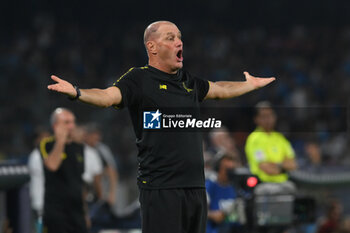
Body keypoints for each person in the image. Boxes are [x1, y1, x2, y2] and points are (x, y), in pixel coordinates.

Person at [47, 21, 275, 233]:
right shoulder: (139, 79)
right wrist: (77, 92)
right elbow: (107, 96)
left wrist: (248, 85)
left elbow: (220, 89)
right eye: (170, 37)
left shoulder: (187, 81)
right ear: (152, 47)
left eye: (179, 37)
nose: (179, 41)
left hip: (195, 188)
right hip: (161, 189)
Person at [39, 108, 88, 233]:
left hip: (77, 213)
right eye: (66, 122)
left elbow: (79, 182)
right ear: (55, 125)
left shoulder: (79, 147)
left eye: (73, 122)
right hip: (56, 213)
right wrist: (61, 141)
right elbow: (52, 165)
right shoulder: (47, 144)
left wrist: (85, 213)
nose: (72, 126)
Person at [245, 101, 297, 184]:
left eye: (270, 115)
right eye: (264, 116)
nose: (268, 119)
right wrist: (283, 167)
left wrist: (275, 165)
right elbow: (266, 168)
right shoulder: (254, 139)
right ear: (256, 119)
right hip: (264, 184)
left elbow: (293, 164)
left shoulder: (280, 138)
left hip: (284, 183)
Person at [206, 155, 244, 233]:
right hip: (215, 229)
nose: (230, 173)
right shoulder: (210, 186)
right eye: (227, 170)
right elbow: (199, 210)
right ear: (218, 169)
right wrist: (213, 215)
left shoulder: (237, 187)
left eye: (232, 170)